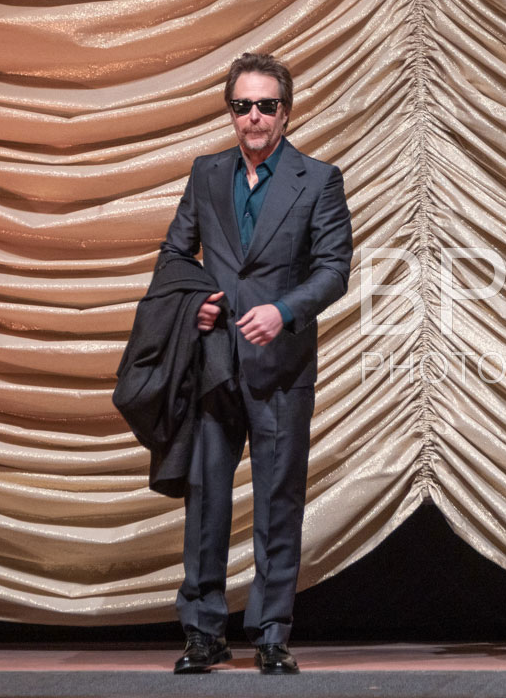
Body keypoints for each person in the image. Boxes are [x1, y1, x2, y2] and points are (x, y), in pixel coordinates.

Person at [162, 52, 353, 675]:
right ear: (231, 111)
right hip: (214, 363)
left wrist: (283, 311)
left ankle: (271, 633)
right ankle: (203, 632)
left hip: (281, 367)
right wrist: (195, 302)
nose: (254, 117)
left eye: (266, 105)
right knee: (205, 500)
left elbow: (334, 270)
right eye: (242, 105)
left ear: (286, 111)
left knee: (277, 501)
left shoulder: (318, 179)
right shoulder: (206, 173)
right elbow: (175, 254)